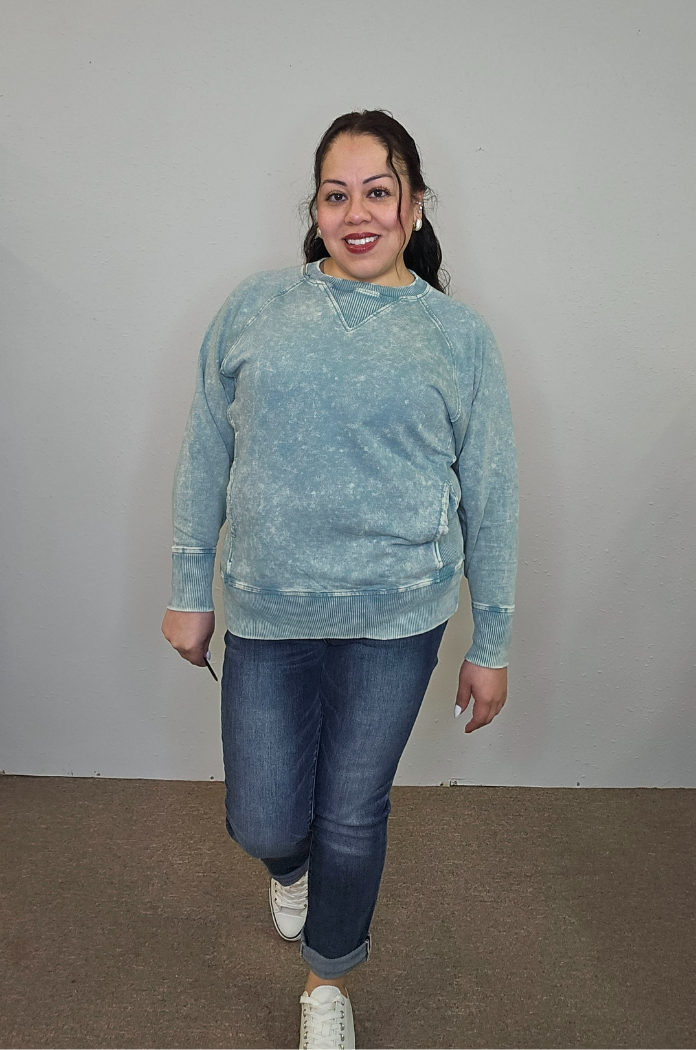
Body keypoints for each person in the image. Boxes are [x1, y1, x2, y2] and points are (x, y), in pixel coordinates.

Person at [161, 109, 518, 1050]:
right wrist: (190, 586)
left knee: (352, 814)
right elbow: (205, 451)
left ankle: (328, 983)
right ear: (315, 210)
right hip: (270, 608)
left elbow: (492, 493)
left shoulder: (458, 337)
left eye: (378, 191)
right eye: (336, 194)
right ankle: (291, 869)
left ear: (414, 202)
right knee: (264, 817)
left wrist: (493, 642)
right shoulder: (256, 308)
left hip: (399, 616)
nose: (357, 213)